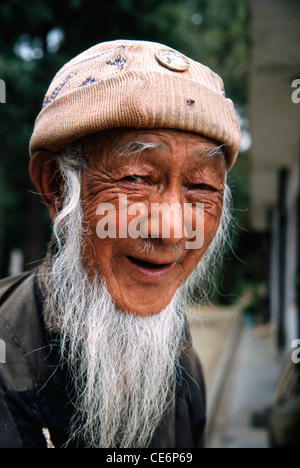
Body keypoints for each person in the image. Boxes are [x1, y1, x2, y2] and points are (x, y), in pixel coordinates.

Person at [0, 39, 240, 448]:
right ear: (57, 187)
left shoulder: (182, 360)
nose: (171, 230)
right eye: (137, 178)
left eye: (201, 186)